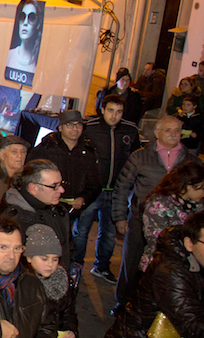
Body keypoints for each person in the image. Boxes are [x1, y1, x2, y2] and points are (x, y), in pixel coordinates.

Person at [110, 115, 189, 308]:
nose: (173, 134)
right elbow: (122, 187)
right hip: (139, 220)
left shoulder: (190, 161)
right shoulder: (140, 156)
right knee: (131, 263)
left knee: (165, 267)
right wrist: (120, 217)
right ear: (157, 133)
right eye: (168, 130)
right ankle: (123, 302)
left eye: (177, 131)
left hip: (176, 226)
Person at [80, 95, 140, 283]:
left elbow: (136, 157)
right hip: (92, 191)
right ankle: (75, 266)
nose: (114, 116)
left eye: (119, 111)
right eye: (111, 110)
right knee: (81, 231)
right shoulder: (89, 128)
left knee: (109, 232)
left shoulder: (130, 130)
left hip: (117, 191)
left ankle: (101, 267)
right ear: (103, 109)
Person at [30, 110, 102, 230]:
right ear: (61, 127)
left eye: (78, 125)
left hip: (71, 211)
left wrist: (84, 199)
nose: (75, 128)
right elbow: (30, 174)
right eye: (69, 124)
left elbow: (94, 183)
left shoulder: (89, 152)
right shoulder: (46, 148)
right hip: (45, 208)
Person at [0, 159, 74, 269]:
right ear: (33, 188)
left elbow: (69, 246)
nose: (61, 190)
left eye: (61, 184)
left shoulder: (58, 211)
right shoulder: (13, 219)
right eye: (54, 186)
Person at [138, 159, 204, 273]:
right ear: (189, 186)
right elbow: (157, 240)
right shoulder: (159, 204)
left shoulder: (196, 204)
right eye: (202, 188)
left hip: (189, 264)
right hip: (163, 267)